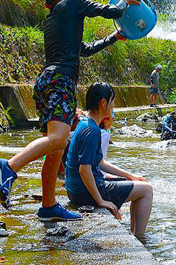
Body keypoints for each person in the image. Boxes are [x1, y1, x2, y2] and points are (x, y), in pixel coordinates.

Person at [0, 0, 141, 221]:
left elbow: (85, 50)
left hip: (47, 82)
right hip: (61, 82)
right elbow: (112, 11)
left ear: (48, 2)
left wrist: (113, 38)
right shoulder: (71, 4)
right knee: (58, 139)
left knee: (56, 147)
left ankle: (48, 206)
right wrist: (124, 0)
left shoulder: (55, 20)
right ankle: (9, 167)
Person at [65, 83, 153, 239]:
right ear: (103, 103)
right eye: (112, 101)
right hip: (85, 193)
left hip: (75, 190)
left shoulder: (85, 124)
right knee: (146, 190)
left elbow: (100, 163)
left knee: (140, 184)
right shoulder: (92, 130)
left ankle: (133, 233)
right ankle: (139, 237)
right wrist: (101, 201)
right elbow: (84, 170)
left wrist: (130, 176)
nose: (113, 105)